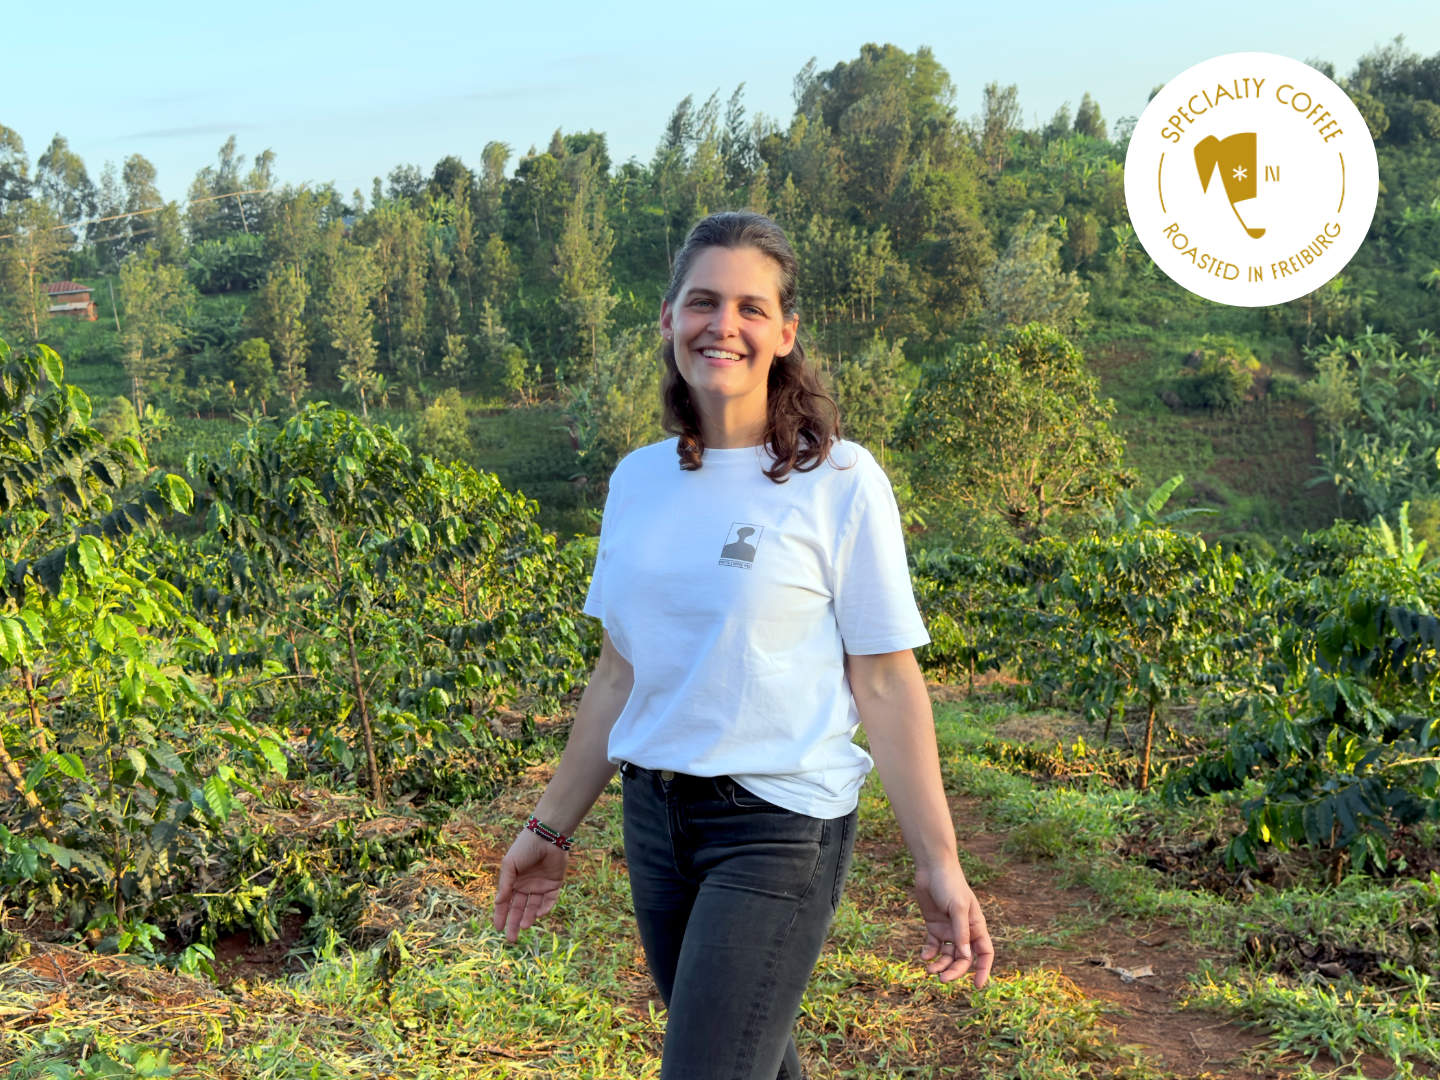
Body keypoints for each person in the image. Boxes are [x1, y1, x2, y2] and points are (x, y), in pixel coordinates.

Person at [492, 211, 993, 1079]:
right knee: (748, 1056)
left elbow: (883, 682)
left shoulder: (837, 480)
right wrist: (551, 827)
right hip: (655, 823)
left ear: (785, 333)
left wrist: (937, 864)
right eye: (703, 302)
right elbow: (620, 674)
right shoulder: (638, 480)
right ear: (668, 320)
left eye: (750, 308)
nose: (723, 326)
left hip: (779, 827)